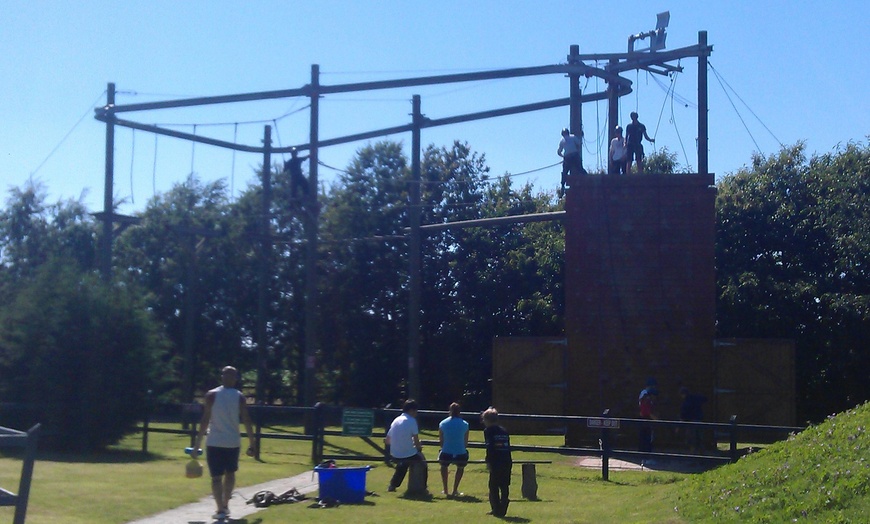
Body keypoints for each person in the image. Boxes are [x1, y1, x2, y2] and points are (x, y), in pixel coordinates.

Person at [193, 366, 257, 522]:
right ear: (235, 378)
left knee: (216, 477)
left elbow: (205, 420)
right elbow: (247, 420)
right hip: (232, 442)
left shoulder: (212, 395)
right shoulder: (239, 396)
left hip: (215, 441)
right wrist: (252, 441)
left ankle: (220, 507)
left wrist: (197, 444)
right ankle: (225, 505)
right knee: (230, 474)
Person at [386, 399, 424, 493]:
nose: (416, 413)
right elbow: (416, 439)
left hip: (394, 453)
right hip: (407, 454)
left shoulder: (396, 420)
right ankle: (422, 487)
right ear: (411, 410)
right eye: (415, 411)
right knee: (422, 462)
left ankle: (393, 485)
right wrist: (419, 448)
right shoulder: (412, 421)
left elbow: (387, 440)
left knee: (402, 465)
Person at [482, 407, 512, 517]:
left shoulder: (488, 431)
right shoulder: (504, 430)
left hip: (496, 460)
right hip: (507, 460)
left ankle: (496, 508)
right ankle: (503, 505)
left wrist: (488, 460)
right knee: (504, 485)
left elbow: (490, 446)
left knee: (493, 485)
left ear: (487, 420)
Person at [438, 402, 469, 497]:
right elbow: (465, 442)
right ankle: (455, 490)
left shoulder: (442, 423)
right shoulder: (465, 424)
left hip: (446, 451)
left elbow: (441, 441)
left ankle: (445, 489)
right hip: (460, 452)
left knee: (443, 466)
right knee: (460, 467)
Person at [556, 127, 584, 196]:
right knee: (580, 169)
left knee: (565, 172)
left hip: (567, 157)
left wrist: (563, 156)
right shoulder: (573, 137)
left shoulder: (562, 140)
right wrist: (577, 150)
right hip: (575, 155)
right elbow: (579, 144)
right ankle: (587, 179)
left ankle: (562, 186)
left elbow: (559, 152)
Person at [679, 386, 708, 453]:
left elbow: (683, 414)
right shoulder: (697, 397)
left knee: (692, 440)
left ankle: (693, 455)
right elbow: (705, 399)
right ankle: (702, 454)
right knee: (700, 438)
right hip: (699, 420)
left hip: (691, 422)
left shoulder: (686, 402)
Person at [638, 378, 659, 455]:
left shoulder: (644, 396)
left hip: (645, 418)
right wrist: (656, 419)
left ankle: (645, 455)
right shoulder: (646, 397)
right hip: (646, 418)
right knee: (647, 438)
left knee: (646, 437)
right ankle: (646, 456)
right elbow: (647, 411)